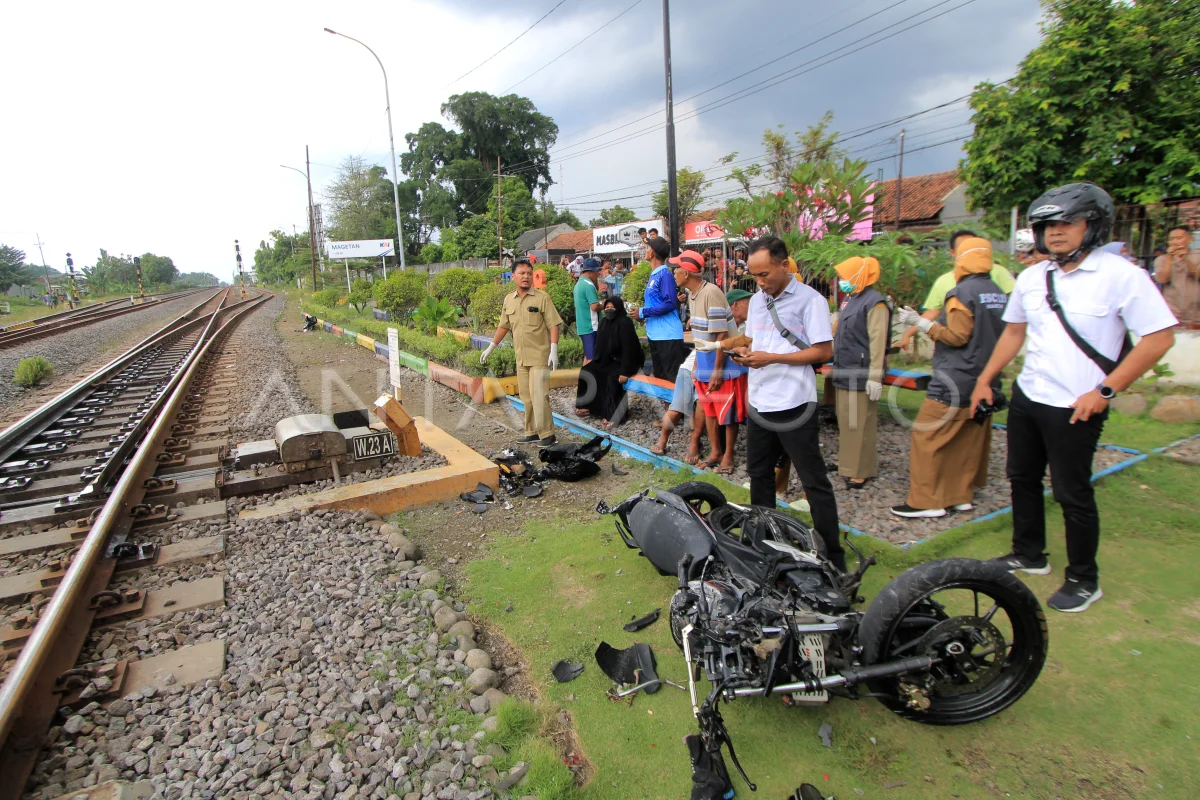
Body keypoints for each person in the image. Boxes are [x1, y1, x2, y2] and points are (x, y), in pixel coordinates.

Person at [971, 183, 1176, 613]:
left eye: (1067, 222)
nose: (1056, 231)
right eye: (1047, 225)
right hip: (1030, 395)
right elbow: (1014, 332)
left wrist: (1105, 391)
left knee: (1071, 492)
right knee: (1021, 477)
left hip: (1077, 405)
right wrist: (986, 379)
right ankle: (1029, 554)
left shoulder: (1122, 276)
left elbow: (1159, 339)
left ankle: (1084, 578)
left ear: (1093, 226)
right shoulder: (1032, 277)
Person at [729, 236, 845, 571]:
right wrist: (746, 353)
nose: (759, 281)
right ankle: (765, 544)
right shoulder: (758, 300)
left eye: (764, 274)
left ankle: (833, 557)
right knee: (759, 475)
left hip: (794, 401)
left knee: (813, 480)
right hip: (760, 400)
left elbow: (823, 352)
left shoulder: (811, 301)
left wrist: (772, 358)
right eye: (754, 275)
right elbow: (758, 342)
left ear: (784, 265)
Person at [890, 237, 1008, 518]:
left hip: (956, 377)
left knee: (927, 435)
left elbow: (957, 336)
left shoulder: (961, 293)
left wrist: (922, 324)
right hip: (985, 379)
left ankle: (926, 501)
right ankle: (959, 496)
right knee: (966, 439)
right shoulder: (997, 292)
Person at [673, 250, 744, 473]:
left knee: (727, 413)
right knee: (710, 410)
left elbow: (721, 335)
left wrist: (716, 370)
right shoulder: (693, 294)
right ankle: (715, 452)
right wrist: (697, 362)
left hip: (723, 364)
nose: (674, 273)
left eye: (676, 269)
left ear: (686, 272)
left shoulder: (711, 293)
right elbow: (701, 336)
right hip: (705, 361)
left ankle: (728, 457)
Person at [481, 259, 563, 446]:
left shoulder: (542, 298)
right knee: (526, 397)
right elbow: (504, 326)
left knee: (539, 395)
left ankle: (547, 434)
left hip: (540, 356)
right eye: (522, 273)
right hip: (521, 357)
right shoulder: (509, 300)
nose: (526, 277)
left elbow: (553, 324)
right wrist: (491, 347)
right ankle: (532, 432)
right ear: (513, 276)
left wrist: (554, 349)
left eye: (529, 273)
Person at [899, 230, 1017, 351]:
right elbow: (932, 312)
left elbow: (1015, 304)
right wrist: (909, 333)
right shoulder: (944, 281)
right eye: (964, 248)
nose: (971, 251)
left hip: (989, 347)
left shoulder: (999, 272)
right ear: (953, 253)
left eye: (973, 245)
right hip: (959, 351)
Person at [829, 256, 890, 488]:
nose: (842, 280)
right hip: (845, 367)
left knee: (861, 421)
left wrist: (875, 377)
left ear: (859, 275)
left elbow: (878, 341)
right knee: (846, 419)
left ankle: (861, 469)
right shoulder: (851, 298)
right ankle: (847, 461)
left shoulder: (875, 303)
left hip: (861, 370)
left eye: (845, 276)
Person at [575, 296, 643, 427]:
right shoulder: (603, 322)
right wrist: (597, 362)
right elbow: (600, 345)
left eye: (612, 307)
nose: (609, 309)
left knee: (612, 377)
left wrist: (626, 371)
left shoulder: (625, 322)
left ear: (618, 308)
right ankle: (589, 407)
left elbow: (630, 349)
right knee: (587, 370)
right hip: (608, 359)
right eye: (607, 307)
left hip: (627, 361)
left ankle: (614, 415)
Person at [635, 236, 687, 381]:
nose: (646, 250)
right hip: (656, 335)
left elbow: (670, 304)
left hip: (668, 336)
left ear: (652, 253)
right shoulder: (654, 275)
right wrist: (642, 316)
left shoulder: (665, 275)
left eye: (648, 248)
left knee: (673, 380)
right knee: (660, 379)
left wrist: (643, 312)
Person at [650, 347, 706, 463]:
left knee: (701, 405)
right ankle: (663, 440)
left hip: (709, 369)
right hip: (692, 368)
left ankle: (694, 442)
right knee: (677, 408)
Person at [1153, 225, 1199, 326]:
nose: (1175, 242)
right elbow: (1162, 279)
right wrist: (1170, 257)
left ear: (1190, 239)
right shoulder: (1161, 259)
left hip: (1196, 313)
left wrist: (1185, 258)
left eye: (1179, 238)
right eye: (1171, 239)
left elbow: (1197, 274)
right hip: (1172, 312)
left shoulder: (1197, 255)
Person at [573, 259, 602, 363]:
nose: (598, 274)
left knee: (588, 356)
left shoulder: (579, 284)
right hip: (591, 327)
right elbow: (594, 306)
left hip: (583, 327)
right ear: (591, 271)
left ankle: (584, 374)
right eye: (597, 271)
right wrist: (604, 305)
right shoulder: (589, 285)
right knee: (592, 359)